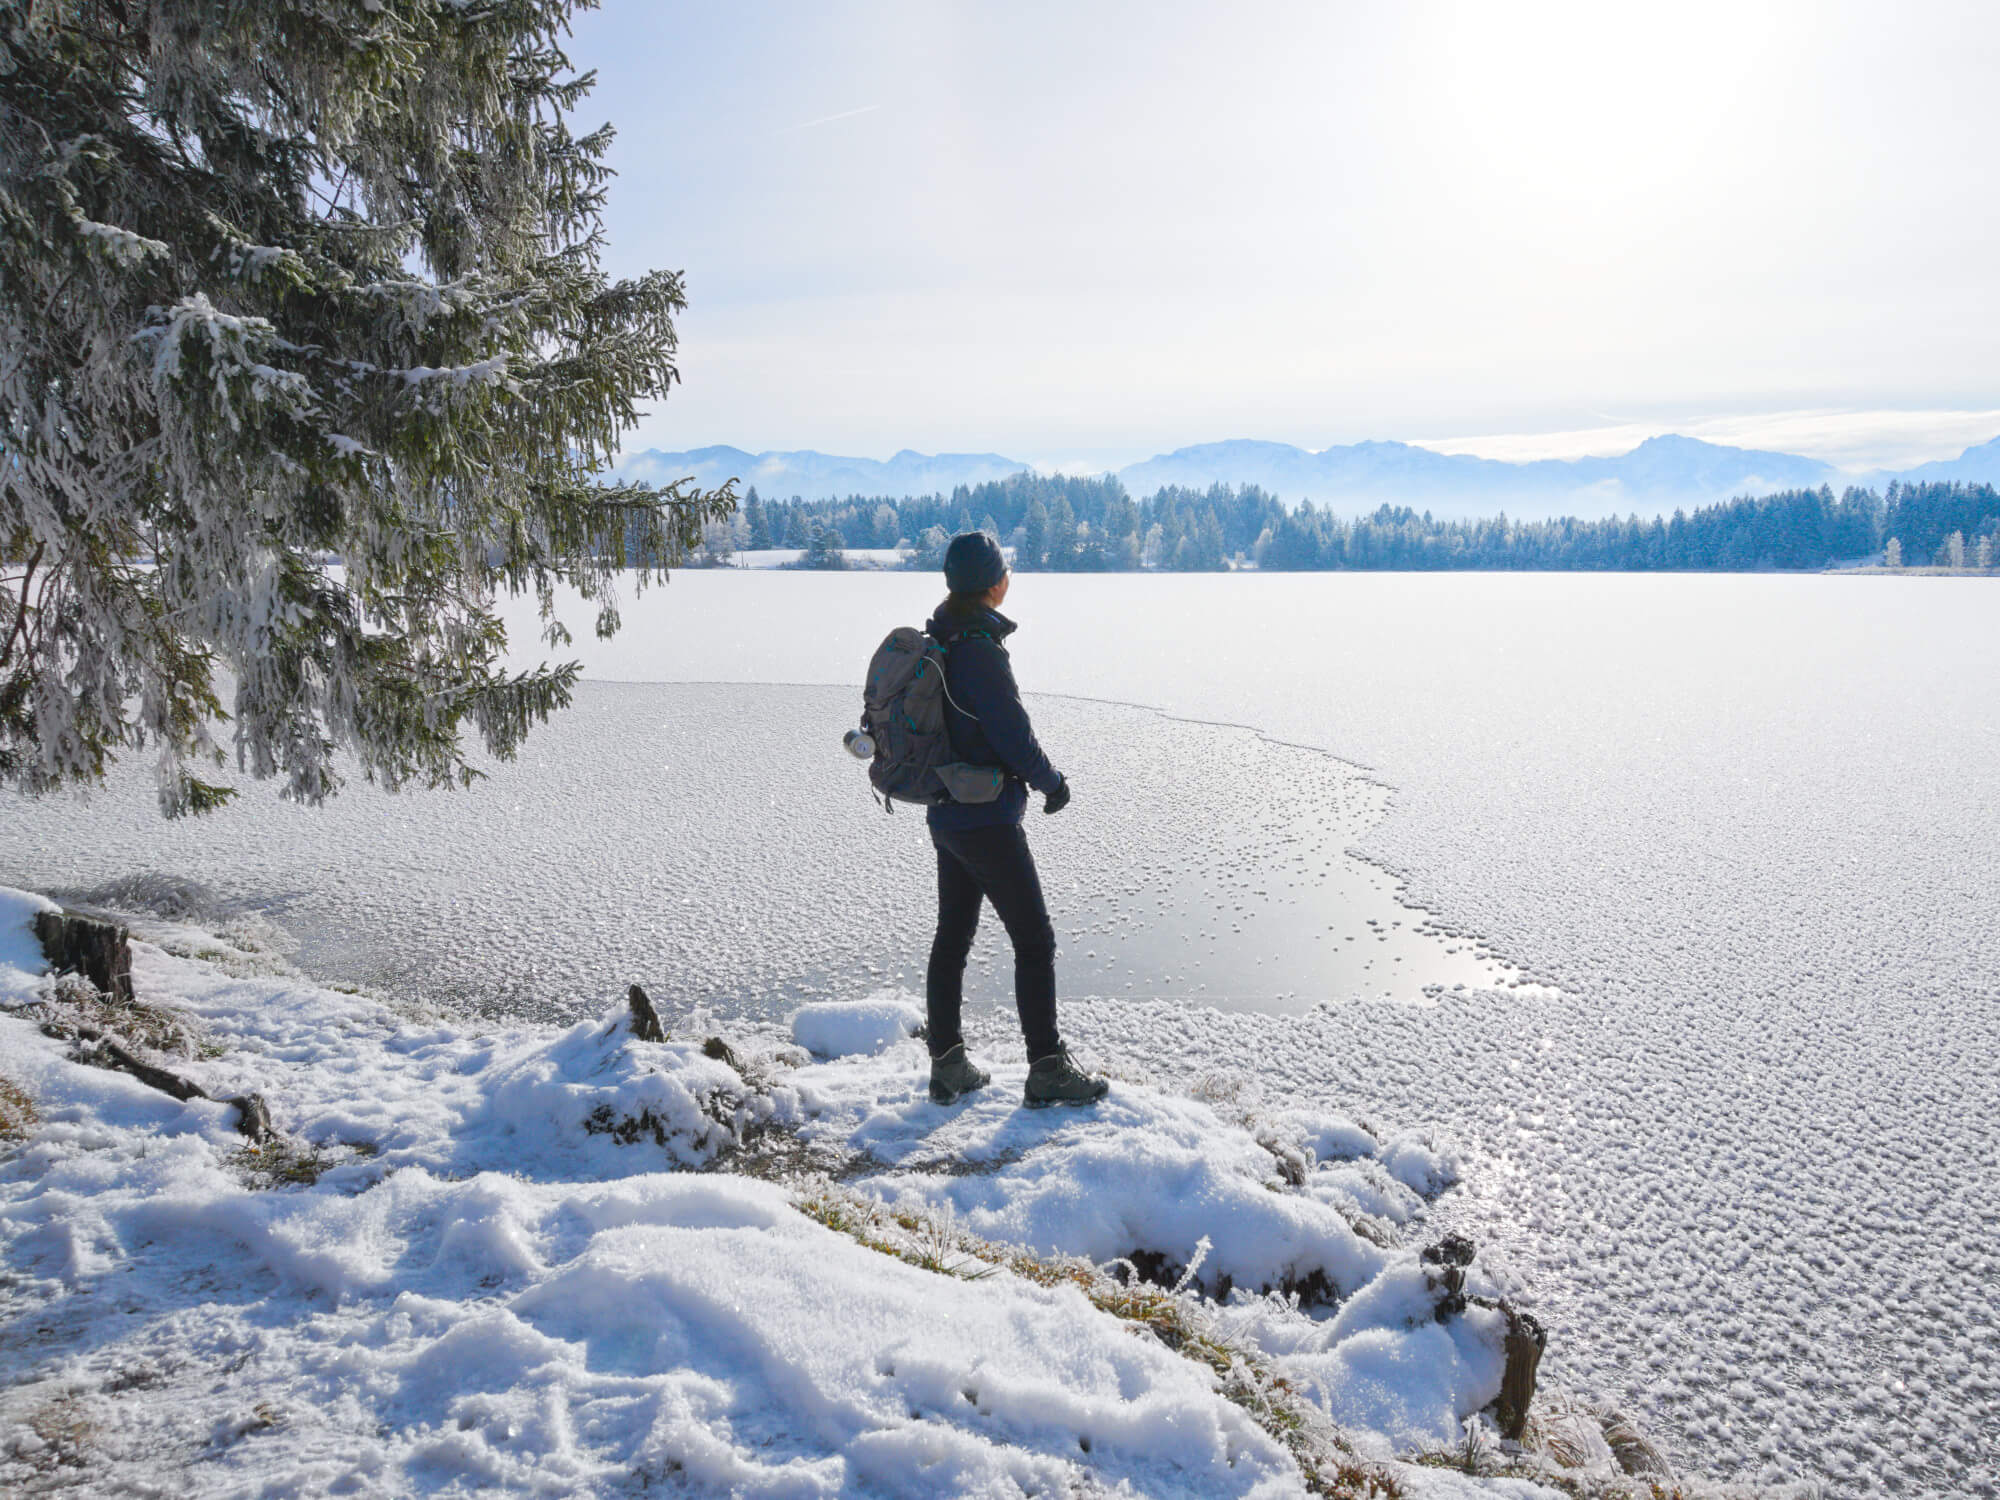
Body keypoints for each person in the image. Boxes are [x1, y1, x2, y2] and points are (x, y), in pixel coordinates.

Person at [923, 531, 1110, 1109]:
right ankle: (1047, 1067)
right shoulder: (978, 647)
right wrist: (1053, 783)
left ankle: (948, 1063)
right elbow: (1012, 735)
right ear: (996, 584)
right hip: (986, 818)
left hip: (947, 813)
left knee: (953, 935)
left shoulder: (943, 636)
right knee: (1034, 939)